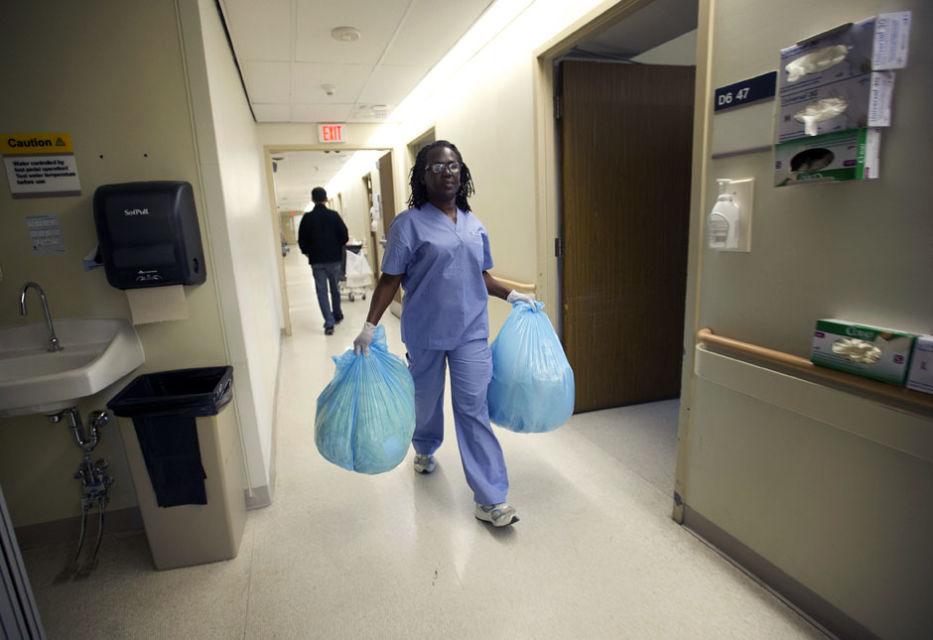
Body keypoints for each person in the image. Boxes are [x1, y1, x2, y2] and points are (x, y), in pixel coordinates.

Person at [353, 140, 535, 527]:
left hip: (471, 332)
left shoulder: (473, 223)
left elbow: (480, 275)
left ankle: (491, 498)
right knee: (426, 401)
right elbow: (391, 280)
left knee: (473, 409)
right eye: (437, 167)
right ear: (423, 176)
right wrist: (370, 324)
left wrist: (512, 294)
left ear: (462, 172)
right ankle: (424, 446)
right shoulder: (408, 224)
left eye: (453, 165)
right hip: (425, 332)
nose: (447, 172)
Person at [298, 187, 349, 335]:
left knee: (321, 292)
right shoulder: (334, 216)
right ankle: (337, 314)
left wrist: (307, 253)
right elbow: (344, 236)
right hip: (334, 259)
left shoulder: (307, 218)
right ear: (326, 199)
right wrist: (336, 247)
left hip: (317, 261)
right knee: (335, 288)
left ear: (313, 200)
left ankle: (329, 323)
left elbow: (302, 240)